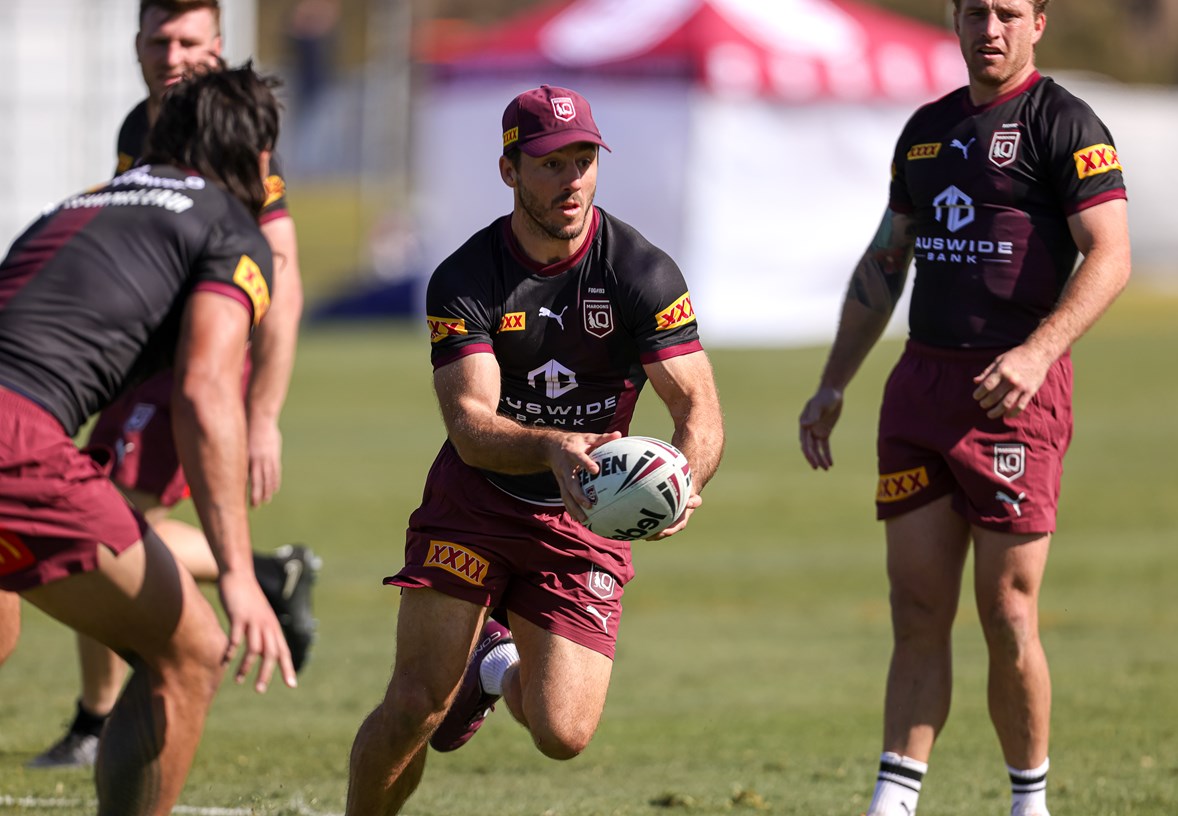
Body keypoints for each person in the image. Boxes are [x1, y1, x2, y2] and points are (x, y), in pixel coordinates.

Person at [344, 84, 725, 815]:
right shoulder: (467, 277)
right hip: (477, 502)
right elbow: (470, 423)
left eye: (583, 160)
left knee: (563, 733)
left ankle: (492, 666)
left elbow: (698, 409)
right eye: (551, 164)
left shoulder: (642, 273)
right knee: (416, 706)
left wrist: (687, 479)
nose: (571, 180)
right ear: (509, 170)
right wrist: (551, 446)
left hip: (587, 517)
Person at [798, 2, 1130, 815]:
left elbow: (1111, 254)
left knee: (1007, 608)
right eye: (975, 11)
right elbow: (886, 261)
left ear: (1039, 23)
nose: (991, 28)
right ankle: (893, 801)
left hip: (1015, 396)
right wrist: (834, 381)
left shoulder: (1066, 124)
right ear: (954, 20)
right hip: (921, 389)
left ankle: (1028, 803)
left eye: (1008, 12)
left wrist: (1036, 354)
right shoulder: (925, 131)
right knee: (915, 607)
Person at [21, 0, 317, 771]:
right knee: (181, 634)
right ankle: (261, 572)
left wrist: (265, 413)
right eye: (160, 39)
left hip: (173, 351)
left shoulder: (89, 199)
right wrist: (239, 576)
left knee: (101, 519)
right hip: (72, 395)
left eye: (189, 40)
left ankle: (93, 717)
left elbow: (280, 289)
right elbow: (196, 383)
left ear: (216, 47)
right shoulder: (189, 177)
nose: (173, 55)